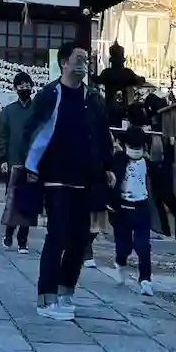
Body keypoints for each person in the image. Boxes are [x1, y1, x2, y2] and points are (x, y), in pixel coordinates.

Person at [23, 42, 114, 320]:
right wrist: (30, 165)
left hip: (85, 178)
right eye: (78, 58)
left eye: (86, 59)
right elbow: (32, 130)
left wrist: (108, 167)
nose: (84, 63)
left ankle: (66, 290)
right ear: (64, 63)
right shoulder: (49, 95)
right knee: (58, 234)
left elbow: (102, 135)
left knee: (80, 238)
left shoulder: (93, 98)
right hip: (56, 176)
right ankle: (46, 297)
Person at [106, 126, 155, 296]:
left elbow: (162, 185)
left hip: (142, 207)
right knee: (124, 246)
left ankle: (145, 280)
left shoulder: (147, 163)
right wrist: (110, 202)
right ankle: (120, 262)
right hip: (123, 209)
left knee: (143, 246)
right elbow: (109, 181)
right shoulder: (119, 159)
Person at [0, 71, 36, 253]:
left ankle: (23, 239)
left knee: (29, 201)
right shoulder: (8, 111)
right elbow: (2, 136)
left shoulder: (37, 110)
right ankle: (8, 234)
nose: (25, 88)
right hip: (13, 161)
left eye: (27, 85)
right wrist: (2, 158)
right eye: (21, 85)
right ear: (15, 88)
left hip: (33, 163)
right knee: (12, 200)